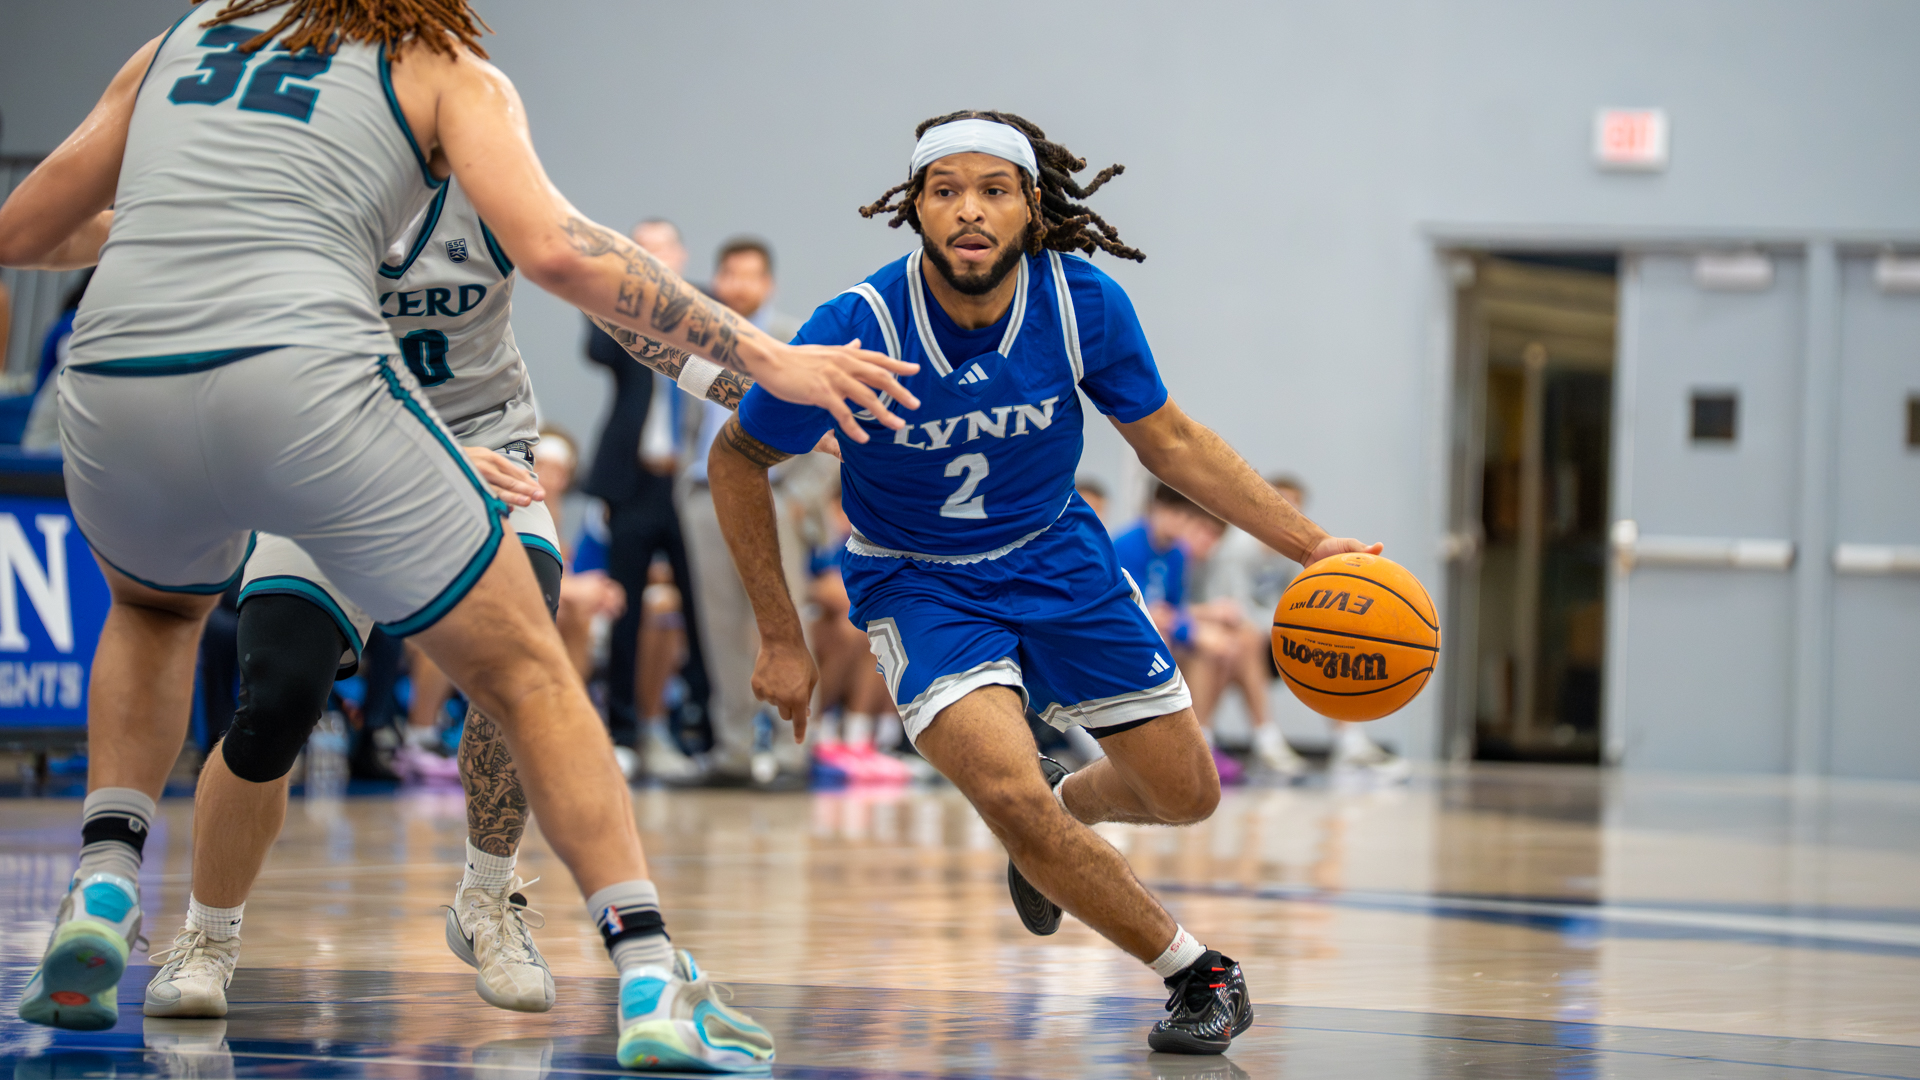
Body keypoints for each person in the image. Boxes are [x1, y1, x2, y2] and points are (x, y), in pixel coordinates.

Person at [0, 3, 916, 1070]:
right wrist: (769, 355)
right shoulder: (426, 78)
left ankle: (478, 895)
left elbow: (23, 230)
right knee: (291, 693)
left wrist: (732, 376)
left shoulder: (193, 46)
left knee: (185, 612)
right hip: (336, 414)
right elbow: (571, 258)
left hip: (355, 414)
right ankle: (217, 936)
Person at [706, 109, 1377, 1057]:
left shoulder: (1081, 304)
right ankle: (1196, 973)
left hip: (1058, 556)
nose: (969, 211)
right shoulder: (856, 326)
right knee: (1006, 795)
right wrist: (782, 636)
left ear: (1031, 206)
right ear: (915, 208)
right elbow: (736, 459)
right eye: (945, 191)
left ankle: (1070, 812)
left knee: (1186, 794)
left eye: (993, 190)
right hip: (920, 581)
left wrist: (1312, 546)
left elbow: (1171, 443)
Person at [681, 237, 835, 787]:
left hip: (773, 496)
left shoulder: (795, 338)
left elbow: (831, 424)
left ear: (767, 284)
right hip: (703, 496)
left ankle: (796, 755)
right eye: (730, 274)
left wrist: (799, 500)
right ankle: (734, 751)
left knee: (785, 623)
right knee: (718, 627)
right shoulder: (699, 341)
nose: (739, 286)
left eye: (751, 277)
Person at [581, 219, 708, 781]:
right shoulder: (616, 310)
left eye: (662, 250)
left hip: (690, 482)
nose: (654, 259)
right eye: (643, 251)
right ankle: (624, 730)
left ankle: (700, 731)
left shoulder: (703, 311)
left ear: (680, 255)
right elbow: (596, 351)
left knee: (702, 607)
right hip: (633, 480)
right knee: (624, 607)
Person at [1201, 474, 1409, 780]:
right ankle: (1266, 741)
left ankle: (1348, 742)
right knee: (1246, 636)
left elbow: (1302, 602)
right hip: (1226, 638)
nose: (1287, 510)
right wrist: (1287, 625)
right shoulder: (1238, 548)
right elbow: (1232, 609)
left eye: (1294, 506)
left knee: (1337, 640)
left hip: (1269, 637)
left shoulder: (1291, 553)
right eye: (1280, 501)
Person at [1114, 483, 1294, 783]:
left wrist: (1194, 625)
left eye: (1183, 515)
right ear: (1154, 509)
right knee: (1197, 642)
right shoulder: (1126, 545)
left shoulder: (1173, 553)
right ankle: (1179, 743)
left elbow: (1173, 607)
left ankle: (1202, 741)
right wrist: (1194, 629)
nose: (1179, 522)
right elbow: (1140, 611)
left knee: (1225, 645)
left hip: (1158, 634)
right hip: (1122, 642)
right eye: (1174, 513)